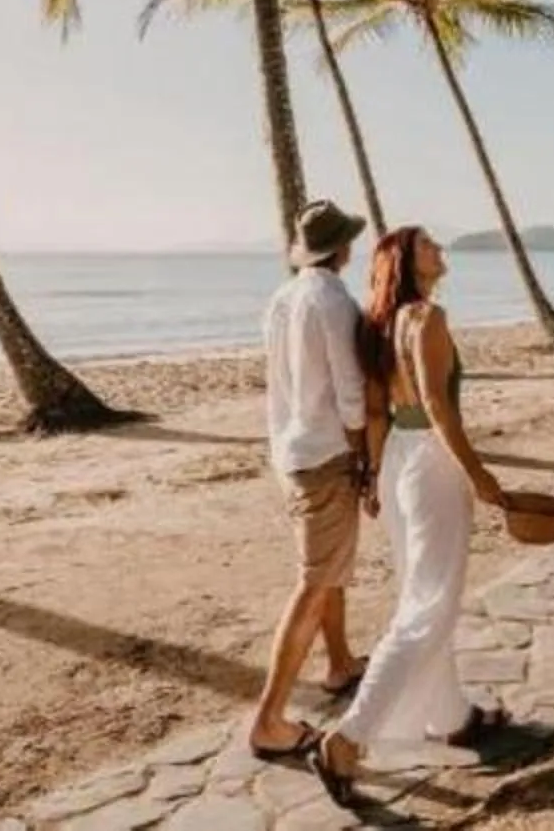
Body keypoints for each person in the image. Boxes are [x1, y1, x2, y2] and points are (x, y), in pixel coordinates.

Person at [312, 226, 512, 806]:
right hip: (429, 461)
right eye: (428, 244)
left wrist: (373, 477)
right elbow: (438, 408)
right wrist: (480, 476)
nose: (439, 249)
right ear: (405, 261)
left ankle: (450, 715)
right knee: (429, 604)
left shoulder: (378, 326)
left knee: (422, 594)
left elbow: (377, 412)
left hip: (399, 459)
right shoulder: (426, 319)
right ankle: (347, 738)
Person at [246, 200, 376, 760]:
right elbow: (350, 391)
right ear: (342, 248)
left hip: (290, 448)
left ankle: (341, 663)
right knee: (316, 579)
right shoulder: (334, 300)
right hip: (326, 452)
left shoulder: (283, 297)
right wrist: (363, 454)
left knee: (330, 565)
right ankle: (269, 721)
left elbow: (279, 380)